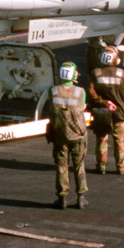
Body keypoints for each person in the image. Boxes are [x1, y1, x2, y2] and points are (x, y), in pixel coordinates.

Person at [46, 62, 89, 209]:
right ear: (74, 75)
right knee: (79, 166)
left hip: (59, 135)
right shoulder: (80, 92)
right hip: (77, 135)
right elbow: (82, 107)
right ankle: (81, 198)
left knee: (61, 166)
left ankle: (62, 198)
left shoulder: (52, 91)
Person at [86, 47, 124, 174]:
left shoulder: (95, 73)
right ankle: (121, 167)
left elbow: (91, 92)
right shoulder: (121, 73)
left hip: (101, 112)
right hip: (119, 112)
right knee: (119, 140)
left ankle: (101, 166)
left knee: (102, 139)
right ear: (115, 60)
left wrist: (104, 101)